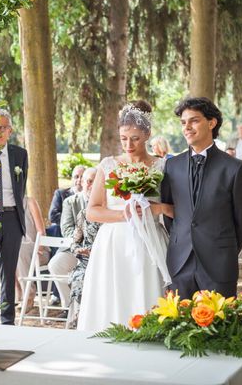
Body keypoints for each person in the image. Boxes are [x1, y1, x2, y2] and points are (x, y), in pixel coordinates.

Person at [77, 100, 172, 331]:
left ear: (147, 134)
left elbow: (173, 207)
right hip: (113, 244)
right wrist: (125, 215)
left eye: (135, 138)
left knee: (145, 291)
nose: (128, 144)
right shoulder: (108, 165)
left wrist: (155, 209)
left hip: (149, 239)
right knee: (112, 295)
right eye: (123, 138)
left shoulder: (162, 166)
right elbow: (93, 210)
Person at [161, 97, 242, 299]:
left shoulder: (235, 169)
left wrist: (223, 251)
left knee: (219, 329)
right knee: (178, 328)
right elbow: (170, 210)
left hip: (219, 264)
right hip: (179, 262)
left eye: (194, 121)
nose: (187, 127)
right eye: (183, 123)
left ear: (212, 123)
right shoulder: (171, 166)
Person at [0, 109, 28, 325]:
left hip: (13, 218)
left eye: (2, 127)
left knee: (8, 271)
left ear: (10, 131)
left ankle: (7, 321)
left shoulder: (20, 155)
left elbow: (21, 189)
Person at [47, 167, 98, 315]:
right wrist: (79, 246)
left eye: (94, 182)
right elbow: (66, 229)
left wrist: (94, 247)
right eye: (88, 181)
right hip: (74, 248)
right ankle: (70, 306)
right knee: (55, 265)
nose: (91, 185)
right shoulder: (70, 202)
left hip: (98, 249)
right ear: (82, 182)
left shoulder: (104, 202)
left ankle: (89, 307)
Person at [15, 196, 49, 305]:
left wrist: (40, 247)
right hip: (18, 252)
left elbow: (41, 232)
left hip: (39, 250)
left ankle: (28, 295)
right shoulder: (6, 206)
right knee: (0, 263)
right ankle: (17, 291)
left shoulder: (30, 202)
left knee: (20, 251)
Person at [47, 165, 84, 237]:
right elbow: (53, 216)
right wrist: (72, 220)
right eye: (76, 177)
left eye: (82, 177)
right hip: (62, 232)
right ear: (72, 179)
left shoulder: (89, 197)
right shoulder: (60, 194)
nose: (79, 180)